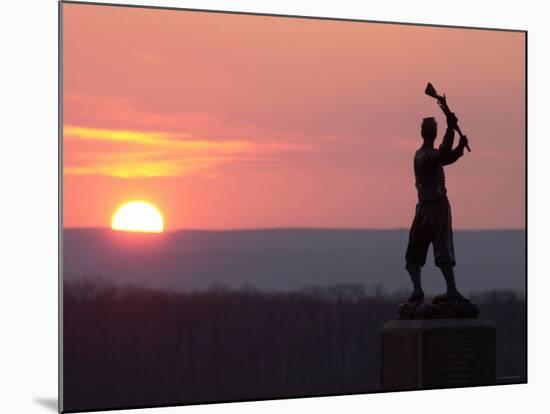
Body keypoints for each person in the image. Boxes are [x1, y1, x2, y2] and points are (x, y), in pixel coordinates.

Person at [404, 113, 470, 303]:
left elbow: (444, 158)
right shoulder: (424, 155)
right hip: (431, 207)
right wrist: (450, 129)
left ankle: (446, 290)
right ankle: (425, 290)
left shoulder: (426, 156)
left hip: (429, 207)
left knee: (433, 249)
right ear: (433, 133)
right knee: (425, 249)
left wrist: (458, 148)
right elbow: (441, 155)